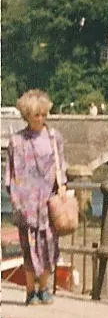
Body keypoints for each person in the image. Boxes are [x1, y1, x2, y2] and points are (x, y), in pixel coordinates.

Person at [6, 89, 67, 304]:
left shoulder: (54, 137)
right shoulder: (17, 141)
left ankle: (45, 288)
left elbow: (61, 166)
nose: (40, 119)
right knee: (29, 248)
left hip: (48, 201)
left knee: (49, 246)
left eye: (43, 114)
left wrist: (62, 187)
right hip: (27, 204)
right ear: (27, 115)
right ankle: (30, 292)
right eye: (36, 115)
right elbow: (11, 174)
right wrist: (17, 200)